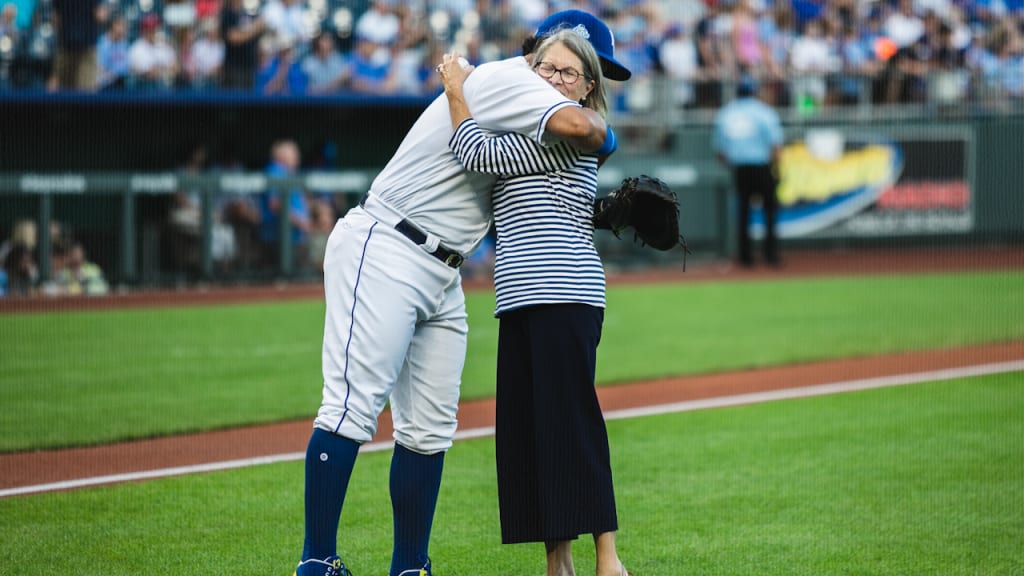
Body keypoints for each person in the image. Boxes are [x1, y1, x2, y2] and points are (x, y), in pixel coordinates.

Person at [291, 9, 618, 576]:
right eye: (557, 65)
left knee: (429, 426)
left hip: (444, 265)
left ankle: (410, 567)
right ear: (537, 54)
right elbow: (581, 130)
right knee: (352, 405)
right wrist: (606, 134)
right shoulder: (516, 82)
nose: (568, 81)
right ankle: (316, 562)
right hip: (389, 242)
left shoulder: (511, 92)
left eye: (583, 73)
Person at [437, 20, 633, 576]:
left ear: (586, 87)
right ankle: (558, 562)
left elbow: (474, 151)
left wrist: (457, 87)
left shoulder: (565, 132)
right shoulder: (539, 123)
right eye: (545, 68)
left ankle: (608, 559)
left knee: (572, 424)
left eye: (567, 72)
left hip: (564, 294)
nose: (552, 77)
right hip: (521, 296)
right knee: (533, 432)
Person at [712, 76, 785, 268]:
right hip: (762, 166)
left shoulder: (726, 113)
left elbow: (720, 151)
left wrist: (731, 162)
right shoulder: (764, 112)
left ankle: (745, 257)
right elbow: (775, 145)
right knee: (770, 211)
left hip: (740, 168)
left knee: (743, 212)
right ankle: (770, 254)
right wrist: (777, 168)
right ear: (754, 91)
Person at [47, 0, 108, 91]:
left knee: (59, 88)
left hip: (68, 44)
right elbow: (101, 16)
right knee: (85, 93)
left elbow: (55, 19)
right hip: (83, 47)